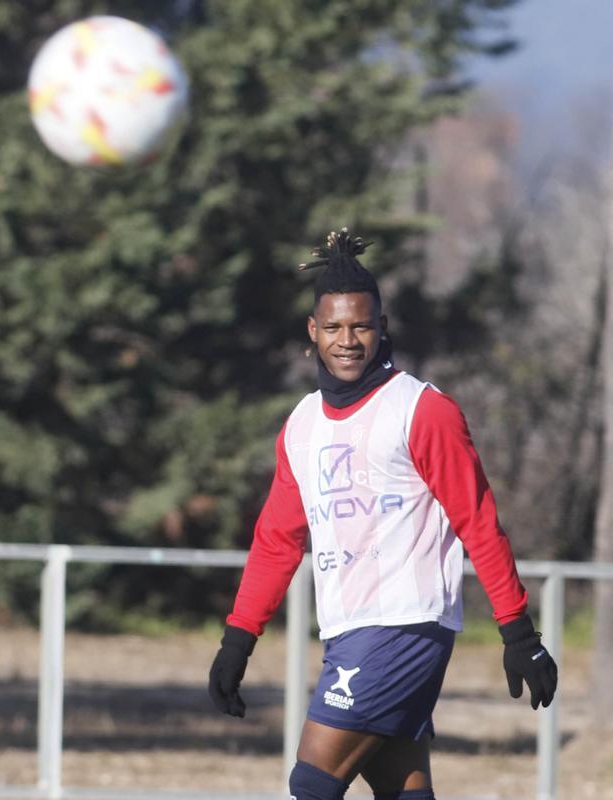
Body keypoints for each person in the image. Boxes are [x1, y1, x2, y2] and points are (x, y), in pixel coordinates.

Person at [207, 229, 557, 800]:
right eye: (335, 328)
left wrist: (518, 632)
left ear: (382, 327)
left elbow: (478, 521)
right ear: (313, 332)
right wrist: (237, 640)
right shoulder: (302, 424)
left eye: (362, 326)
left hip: (404, 623)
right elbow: (277, 540)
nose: (349, 341)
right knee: (403, 789)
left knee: (313, 783)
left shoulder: (422, 410)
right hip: (349, 628)